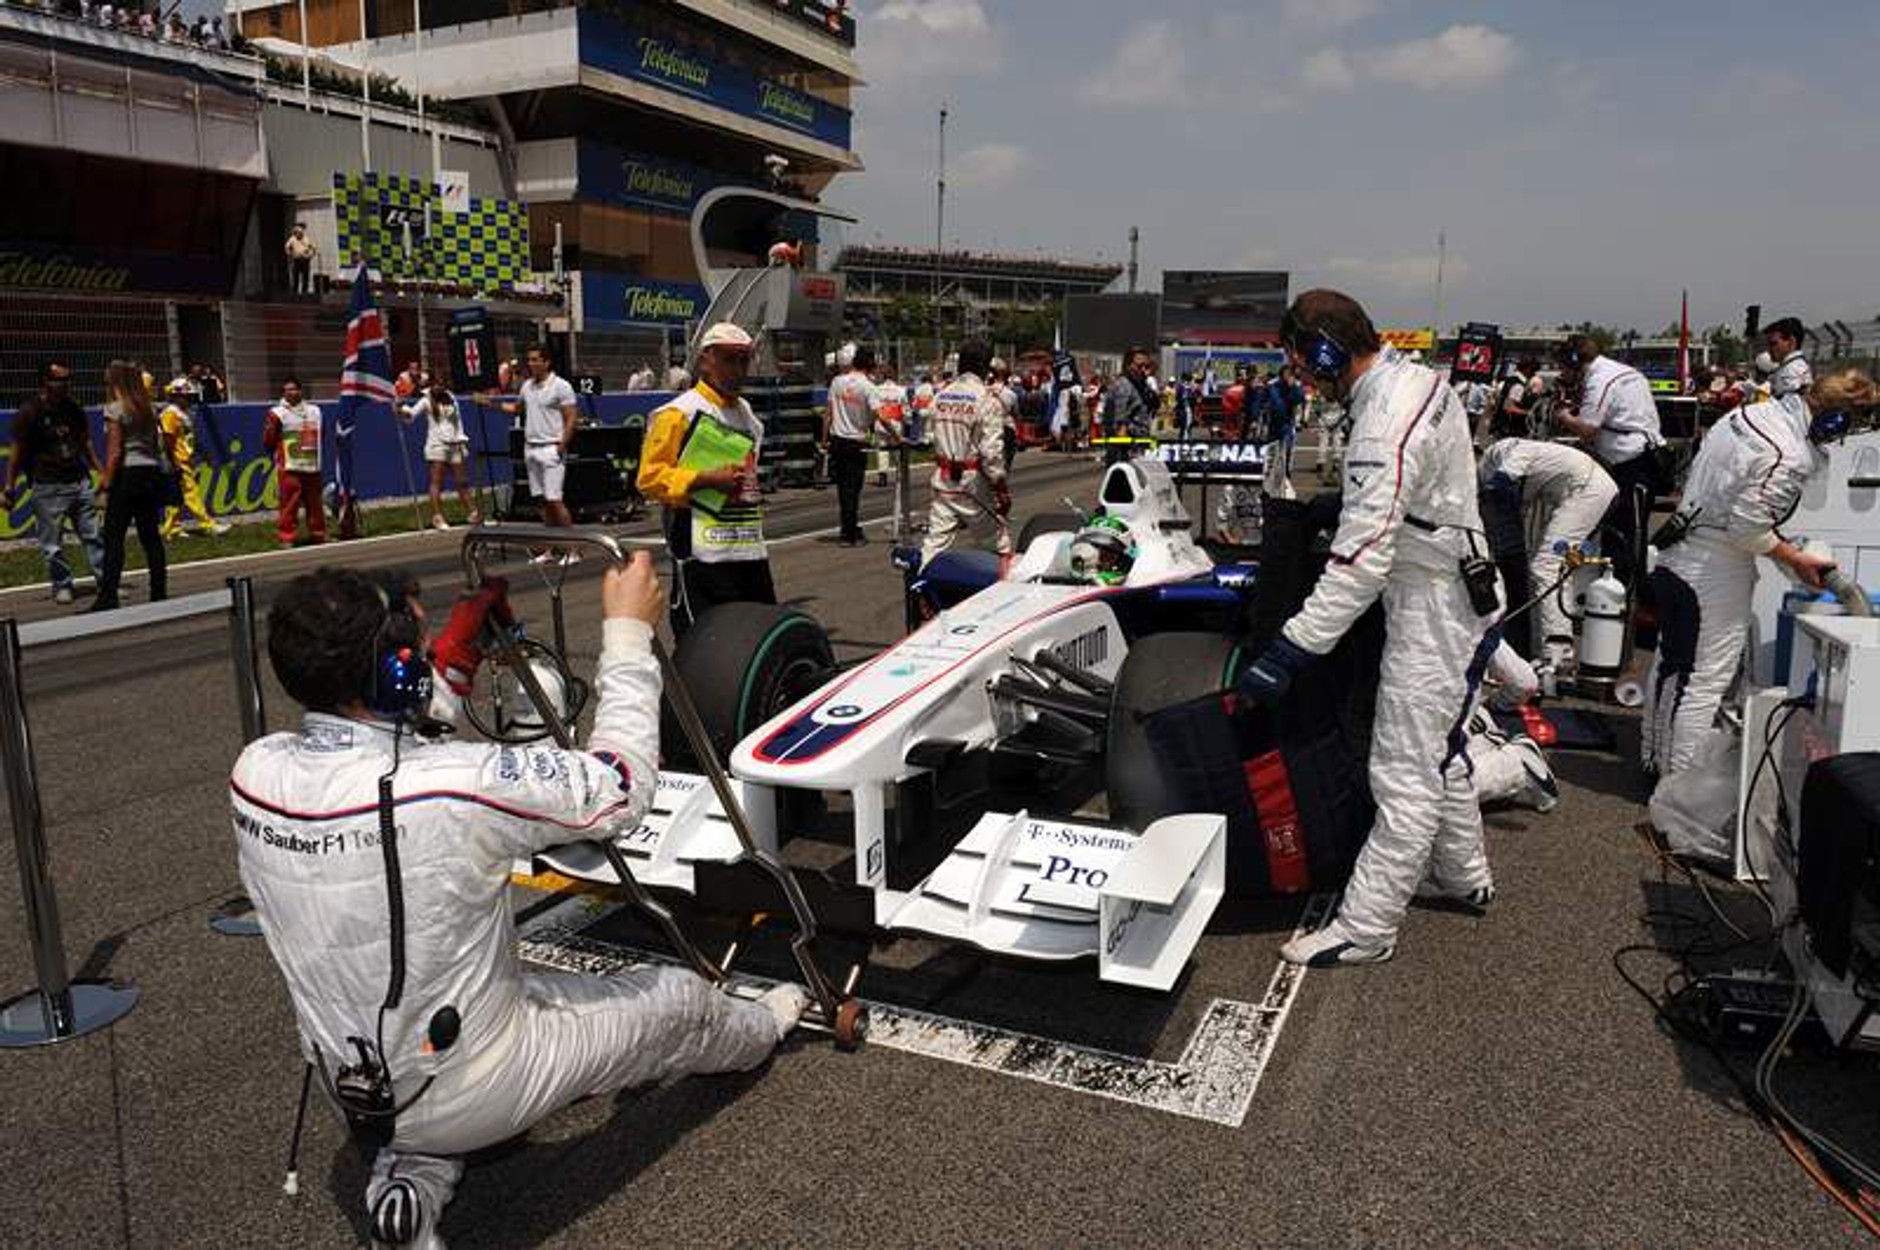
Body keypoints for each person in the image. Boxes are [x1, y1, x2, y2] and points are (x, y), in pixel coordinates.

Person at [232, 556, 806, 1249]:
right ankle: (765, 1028)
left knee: (455, 1037)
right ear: (395, 676)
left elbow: (390, 735)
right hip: (483, 1079)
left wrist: (452, 657)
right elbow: (618, 788)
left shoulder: (255, 771)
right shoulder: (455, 784)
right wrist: (627, 634)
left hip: (352, 1081)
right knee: (677, 998)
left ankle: (406, 1190)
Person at [1237, 289, 1497, 967]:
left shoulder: (1383, 418)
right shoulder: (1417, 379)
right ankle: (1464, 874)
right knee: (1441, 747)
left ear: (1323, 349)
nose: (1298, 375)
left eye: (1299, 360)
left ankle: (1369, 925)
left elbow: (1360, 562)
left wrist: (1290, 649)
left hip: (1432, 603)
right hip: (1448, 581)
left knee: (1402, 770)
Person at [1642, 369, 1878, 779]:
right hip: (1713, 570)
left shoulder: (1751, 414)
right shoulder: (1788, 452)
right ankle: (1677, 790)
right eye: (1850, 424)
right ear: (1835, 418)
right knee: (1704, 681)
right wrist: (1797, 559)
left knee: (1672, 664)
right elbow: (1747, 528)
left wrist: (1788, 557)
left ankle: (1653, 759)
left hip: (1676, 556)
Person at [638, 323, 773, 634]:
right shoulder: (678, 413)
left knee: (758, 635)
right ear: (705, 361)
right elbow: (649, 478)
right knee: (704, 642)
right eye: (729, 360)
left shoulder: (747, 414)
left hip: (748, 544)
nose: (738, 369)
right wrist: (706, 479)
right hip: (700, 548)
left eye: (744, 360)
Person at [1478, 432, 1617, 670]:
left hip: (1587, 490)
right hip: (1588, 488)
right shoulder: (1519, 456)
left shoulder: (1508, 453)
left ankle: (1558, 653)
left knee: (1546, 566)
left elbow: (1501, 485)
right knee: (1551, 568)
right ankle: (1543, 650)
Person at [1553, 334, 1663, 580]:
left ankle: (1620, 592)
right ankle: (1629, 590)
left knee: (1621, 535)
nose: (1562, 373)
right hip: (1645, 457)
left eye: (1562, 367)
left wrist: (1562, 415)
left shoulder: (1599, 381)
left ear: (1574, 362)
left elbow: (1587, 430)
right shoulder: (1627, 372)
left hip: (1630, 463)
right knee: (1634, 532)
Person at [4, 360, 105, 605]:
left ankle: (105, 582)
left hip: (78, 480)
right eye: (60, 380)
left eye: (68, 379)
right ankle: (62, 584)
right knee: (52, 543)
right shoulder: (30, 412)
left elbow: (86, 441)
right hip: (47, 484)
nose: (65, 385)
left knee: (93, 535)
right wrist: (8, 486)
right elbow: (17, 450)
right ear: (45, 382)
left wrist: (101, 472)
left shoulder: (73, 408)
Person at [919, 339, 1011, 569]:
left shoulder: (941, 396)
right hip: (972, 484)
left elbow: (930, 434)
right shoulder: (987, 400)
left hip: (943, 479)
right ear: (985, 367)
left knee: (934, 545)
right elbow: (991, 454)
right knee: (998, 543)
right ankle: (1002, 592)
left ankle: (921, 592)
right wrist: (1000, 489)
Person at [89, 361, 169, 612]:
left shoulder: (115, 409)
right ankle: (158, 590)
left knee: (114, 537)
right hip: (150, 471)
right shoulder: (149, 409)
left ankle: (108, 595)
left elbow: (114, 453)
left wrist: (105, 484)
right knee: (150, 536)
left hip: (127, 474)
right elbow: (157, 446)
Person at [481, 344, 577, 529]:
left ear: (546, 362)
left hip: (552, 448)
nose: (530, 363)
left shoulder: (561, 386)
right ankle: (551, 546)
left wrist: (562, 445)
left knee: (554, 500)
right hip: (531, 449)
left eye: (535, 360)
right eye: (529, 360)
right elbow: (516, 409)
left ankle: (571, 548)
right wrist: (490, 403)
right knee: (541, 501)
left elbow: (571, 417)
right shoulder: (526, 386)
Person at [399, 385, 480, 530]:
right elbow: (411, 415)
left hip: (455, 444)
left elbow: (458, 422)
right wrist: (401, 410)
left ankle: (473, 514)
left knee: (462, 482)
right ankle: (438, 517)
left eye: (440, 383)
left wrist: (461, 440)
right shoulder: (425, 400)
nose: (438, 386)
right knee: (437, 482)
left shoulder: (451, 397)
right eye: (434, 384)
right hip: (437, 445)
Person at [157, 378, 230, 539]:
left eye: (191, 396)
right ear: (175, 396)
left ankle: (171, 529)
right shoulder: (170, 414)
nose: (190, 400)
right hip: (176, 460)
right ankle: (208, 524)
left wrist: (204, 454)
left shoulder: (183, 414)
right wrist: (173, 461)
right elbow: (167, 439)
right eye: (186, 396)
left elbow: (189, 439)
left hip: (183, 459)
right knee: (191, 493)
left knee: (176, 497)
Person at [823, 344, 880, 546]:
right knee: (852, 490)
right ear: (871, 364)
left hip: (837, 441)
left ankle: (850, 528)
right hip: (856, 442)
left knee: (843, 490)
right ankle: (849, 534)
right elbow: (878, 414)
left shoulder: (837, 382)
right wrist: (896, 437)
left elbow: (828, 414)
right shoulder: (869, 386)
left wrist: (824, 441)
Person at [265, 377, 327, 548]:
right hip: (289, 466)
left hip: (312, 465)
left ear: (301, 391)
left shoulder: (315, 411)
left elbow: (323, 435)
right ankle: (287, 538)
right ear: (283, 393)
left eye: (294, 389)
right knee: (289, 504)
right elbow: (269, 439)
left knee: (315, 504)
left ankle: (318, 535)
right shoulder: (277, 412)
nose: (291, 392)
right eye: (287, 390)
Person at [1103, 347, 1157, 466]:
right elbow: (1120, 417)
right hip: (1127, 447)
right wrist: (1122, 448)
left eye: (1146, 366)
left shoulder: (1142, 385)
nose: (1143, 370)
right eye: (1139, 366)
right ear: (1128, 365)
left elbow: (1152, 405)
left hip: (1140, 441)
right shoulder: (1124, 384)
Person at [1264, 365, 1304, 501]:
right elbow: (1265, 401)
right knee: (1272, 450)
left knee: (1287, 450)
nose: (1288, 376)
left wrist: (1293, 387)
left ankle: (1286, 475)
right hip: (1273, 424)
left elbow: (1299, 399)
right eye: (1286, 374)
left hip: (1287, 424)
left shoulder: (1294, 386)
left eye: (1290, 374)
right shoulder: (1272, 386)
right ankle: (1270, 477)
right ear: (1281, 374)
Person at [1761, 316, 1813, 415]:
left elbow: (1787, 412)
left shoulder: (1790, 370)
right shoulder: (1796, 365)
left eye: (1773, 343)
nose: (1769, 349)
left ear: (1791, 342)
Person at [285, 223, 317, 295]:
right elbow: (287, 247)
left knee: (305, 276)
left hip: (305, 260)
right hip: (296, 260)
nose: (298, 235)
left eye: (300, 233)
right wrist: (290, 254)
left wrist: (310, 255)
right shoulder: (292, 239)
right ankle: (295, 292)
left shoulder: (306, 239)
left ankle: (304, 292)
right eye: (297, 233)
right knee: (295, 276)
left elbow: (314, 248)